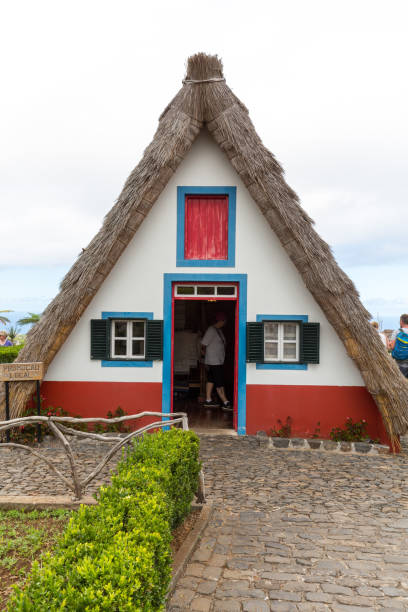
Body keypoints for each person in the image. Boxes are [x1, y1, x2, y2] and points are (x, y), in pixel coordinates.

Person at [201, 312, 232, 411]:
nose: (225, 323)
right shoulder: (211, 330)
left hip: (218, 360)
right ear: (220, 321)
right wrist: (204, 357)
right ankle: (225, 402)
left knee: (211, 379)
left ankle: (208, 400)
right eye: (224, 321)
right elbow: (203, 344)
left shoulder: (218, 330)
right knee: (219, 382)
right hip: (213, 361)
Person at [388, 314, 408, 378]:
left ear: (401, 321)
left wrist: (390, 345)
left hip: (400, 362)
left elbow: (392, 347)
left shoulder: (397, 332)